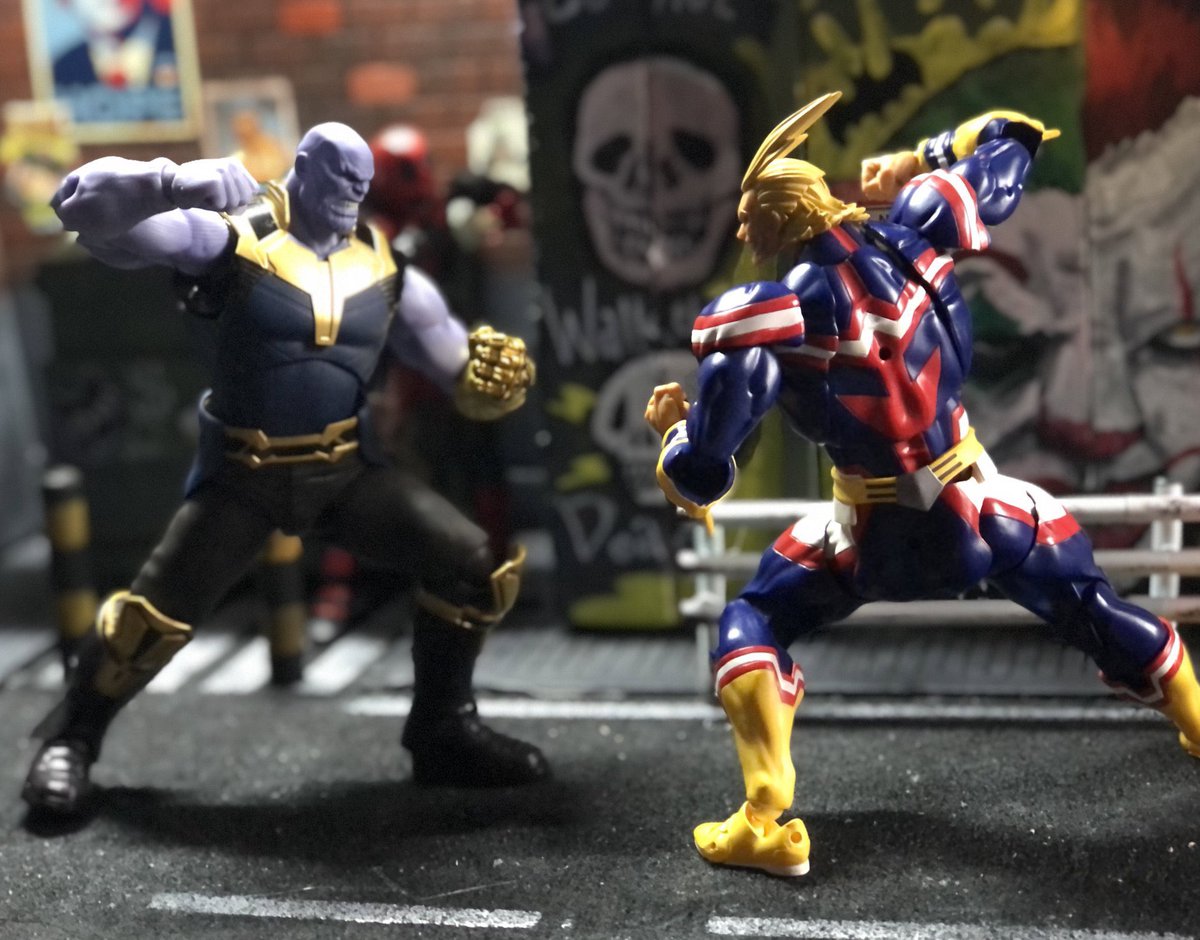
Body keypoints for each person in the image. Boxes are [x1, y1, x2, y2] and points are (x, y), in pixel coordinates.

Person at [645, 93, 1200, 877]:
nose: (742, 233)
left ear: (778, 217)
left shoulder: (773, 314)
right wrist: (924, 158)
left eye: (750, 217)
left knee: (753, 616)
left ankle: (764, 812)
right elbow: (1011, 137)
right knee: (1091, 606)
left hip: (873, 536)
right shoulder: (917, 229)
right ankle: (1196, 718)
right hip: (982, 506)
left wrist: (674, 433)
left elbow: (703, 469)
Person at [23, 122, 548, 815]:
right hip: (244, 475)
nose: (350, 195)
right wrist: (167, 181)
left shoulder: (386, 269)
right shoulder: (234, 239)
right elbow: (79, 208)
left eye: (359, 184)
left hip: (345, 471)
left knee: (472, 564)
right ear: (303, 169)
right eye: (338, 180)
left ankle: (443, 728)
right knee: (147, 621)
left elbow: (454, 363)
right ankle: (71, 739)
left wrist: (489, 380)